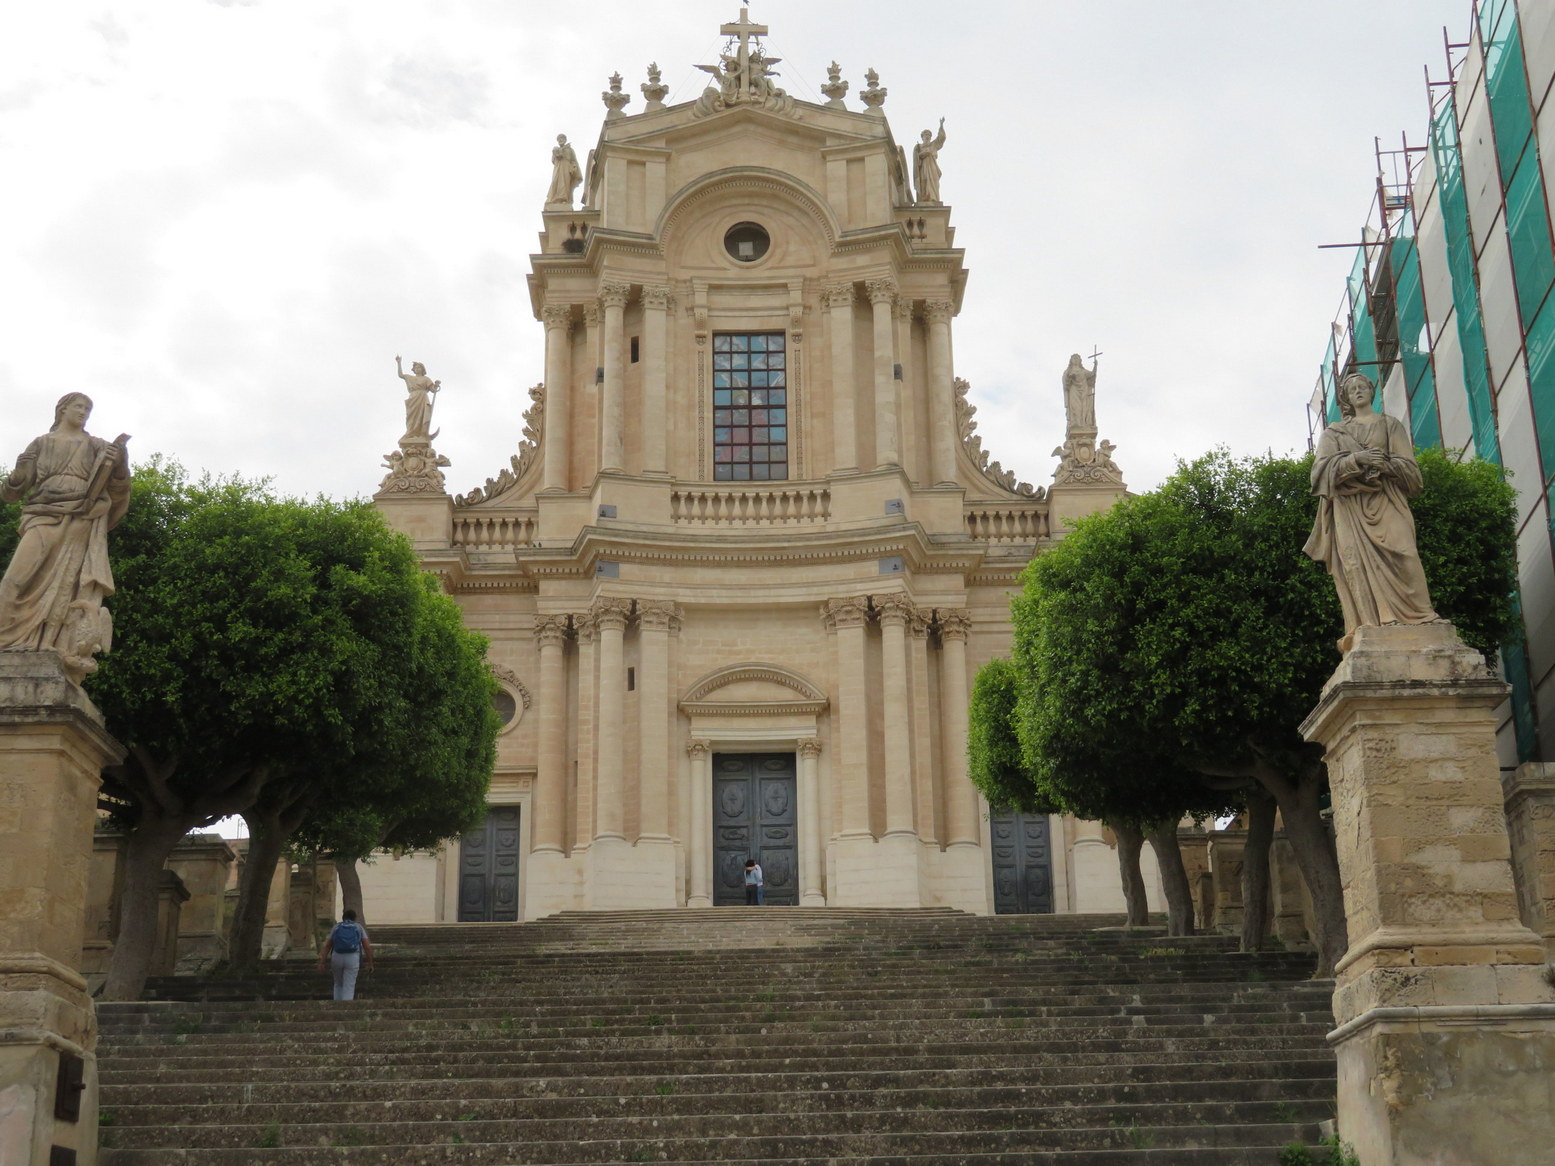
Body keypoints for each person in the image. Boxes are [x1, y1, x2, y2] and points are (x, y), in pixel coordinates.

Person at [0, 393, 130, 682]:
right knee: (14, 580)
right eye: (78, 406)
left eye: (88, 408)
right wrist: (19, 473)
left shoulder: (97, 446)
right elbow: (11, 493)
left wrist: (120, 462)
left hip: (81, 516)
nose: (84, 412)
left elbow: (119, 488)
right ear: (62, 409)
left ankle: (50, 644)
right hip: (42, 512)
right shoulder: (41, 443)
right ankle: (6, 643)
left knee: (65, 585)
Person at [1303, 371, 1439, 638]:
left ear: (1371, 390)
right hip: (1350, 508)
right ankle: (1376, 622)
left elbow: (1413, 474)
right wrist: (1357, 460)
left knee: (1406, 552)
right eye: (1351, 388)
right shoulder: (1334, 433)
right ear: (1346, 398)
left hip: (1388, 499)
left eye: (1361, 386)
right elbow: (1319, 474)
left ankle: (1424, 616)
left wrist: (1384, 464)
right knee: (1356, 566)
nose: (1357, 390)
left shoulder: (1390, 426)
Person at [317, 908, 374, 1001]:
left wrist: (322, 962)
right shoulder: (358, 927)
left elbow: (328, 945)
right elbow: (367, 946)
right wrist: (370, 963)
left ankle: (337, 1004)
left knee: (338, 984)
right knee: (349, 985)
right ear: (354, 918)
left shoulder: (336, 927)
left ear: (343, 918)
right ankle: (346, 1006)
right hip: (352, 957)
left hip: (337, 956)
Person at [395, 356, 441, 443]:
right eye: (415, 368)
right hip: (413, 397)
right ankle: (410, 433)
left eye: (419, 367)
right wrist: (399, 362)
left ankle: (422, 434)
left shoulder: (426, 379)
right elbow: (400, 375)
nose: (417, 369)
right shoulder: (410, 377)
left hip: (423, 397)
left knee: (423, 415)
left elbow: (433, 390)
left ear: (423, 369)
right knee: (411, 416)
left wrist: (436, 385)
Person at [914, 118, 947, 204]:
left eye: (929, 135)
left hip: (932, 165)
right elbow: (916, 158)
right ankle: (925, 197)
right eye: (925, 135)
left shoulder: (933, 144)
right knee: (925, 181)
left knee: (933, 181)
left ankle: (933, 198)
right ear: (922, 137)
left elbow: (941, 138)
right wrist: (922, 154)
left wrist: (941, 125)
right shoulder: (919, 147)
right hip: (923, 166)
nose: (927, 136)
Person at [545, 134, 582, 208]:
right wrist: (556, 153)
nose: (560, 140)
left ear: (565, 140)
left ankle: (564, 199)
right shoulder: (556, 149)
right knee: (555, 182)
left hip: (566, 168)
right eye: (559, 139)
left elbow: (573, 160)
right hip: (558, 167)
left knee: (565, 183)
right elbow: (553, 160)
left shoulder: (570, 150)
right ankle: (553, 199)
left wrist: (574, 167)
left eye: (562, 138)